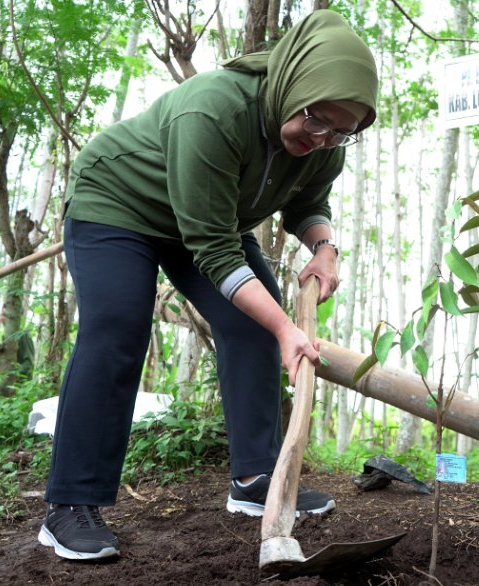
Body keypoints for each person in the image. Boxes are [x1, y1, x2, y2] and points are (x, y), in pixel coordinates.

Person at [37, 10, 378, 560]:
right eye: (316, 121)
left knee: (251, 329)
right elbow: (215, 249)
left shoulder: (328, 138)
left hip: (206, 220)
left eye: (341, 131)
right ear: (293, 84)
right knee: (119, 326)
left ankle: (254, 481)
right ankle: (71, 504)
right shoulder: (215, 107)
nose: (323, 139)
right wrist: (287, 326)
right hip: (120, 202)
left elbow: (308, 203)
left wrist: (324, 248)